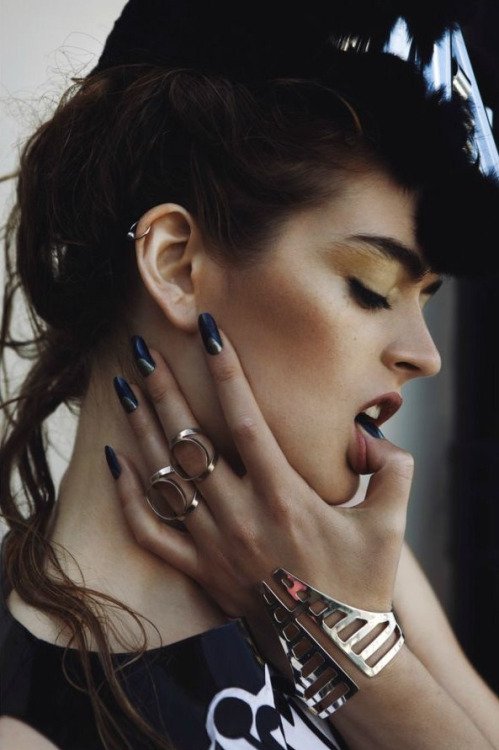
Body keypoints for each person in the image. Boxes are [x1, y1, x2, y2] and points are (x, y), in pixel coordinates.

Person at [1, 1, 499, 748]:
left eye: (424, 299)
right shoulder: (28, 727)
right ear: (176, 265)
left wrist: (353, 648)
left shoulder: (345, 565)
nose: (423, 355)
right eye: (369, 287)